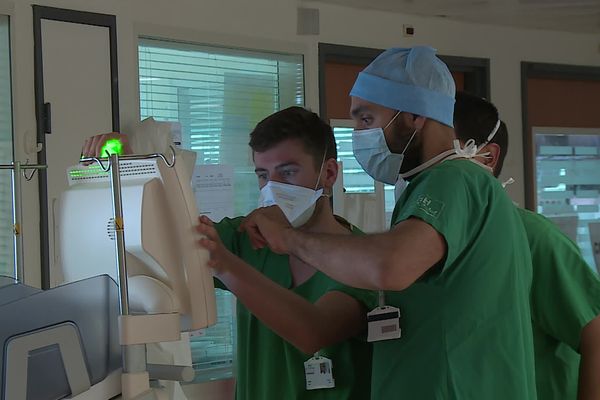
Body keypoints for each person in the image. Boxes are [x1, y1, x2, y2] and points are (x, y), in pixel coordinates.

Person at [239, 46, 537, 399]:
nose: (358, 134)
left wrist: (289, 239)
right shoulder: (429, 188)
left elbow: (389, 265)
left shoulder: (453, 180)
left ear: (414, 115)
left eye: (366, 119)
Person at [82, 107, 376, 400]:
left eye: (287, 172)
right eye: (263, 175)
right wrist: (130, 164)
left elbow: (313, 332)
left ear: (329, 173)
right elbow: (164, 237)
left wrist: (226, 264)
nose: (273, 188)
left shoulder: (364, 260)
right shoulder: (248, 240)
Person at [453, 90, 600, 400]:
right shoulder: (428, 244)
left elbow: (595, 334)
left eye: (439, 151)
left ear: (487, 157)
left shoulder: (532, 237)